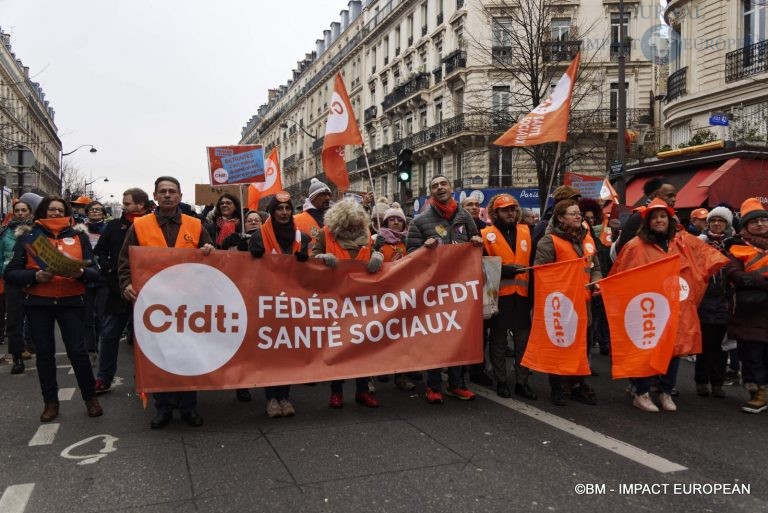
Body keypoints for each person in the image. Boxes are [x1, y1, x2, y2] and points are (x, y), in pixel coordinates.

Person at [611, 198, 728, 412]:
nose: (659, 220)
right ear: (647, 221)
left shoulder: (681, 242)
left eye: (663, 216)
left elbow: (707, 257)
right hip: (648, 307)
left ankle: (666, 391)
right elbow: (622, 275)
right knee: (646, 347)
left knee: (674, 348)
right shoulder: (635, 246)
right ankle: (641, 391)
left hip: (675, 306)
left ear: (669, 219)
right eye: (654, 217)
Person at [119, 176, 215, 429]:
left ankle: (188, 407)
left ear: (180, 196)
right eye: (163, 192)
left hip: (188, 304)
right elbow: (124, 262)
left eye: (172, 191)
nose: (168, 195)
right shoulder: (139, 227)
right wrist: (126, 284)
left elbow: (213, 257)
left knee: (187, 355)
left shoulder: (196, 225)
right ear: (155, 196)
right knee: (158, 356)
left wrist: (209, 250)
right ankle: (163, 408)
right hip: (154, 303)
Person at [4, 196, 103, 422]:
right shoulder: (29, 236)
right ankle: (50, 403)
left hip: (71, 302)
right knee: (45, 354)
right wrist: (35, 276)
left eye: (60, 210)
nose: (56, 214)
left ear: (66, 212)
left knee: (78, 352)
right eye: (51, 210)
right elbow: (11, 273)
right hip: (39, 303)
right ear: (42, 212)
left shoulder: (78, 236)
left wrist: (81, 273)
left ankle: (90, 399)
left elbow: (95, 272)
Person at [406, 175, 483, 404]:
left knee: (458, 338)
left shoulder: (464, 216)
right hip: (434, 291)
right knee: (436, 338)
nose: (440, 188)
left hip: (460, 290)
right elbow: (410, 255)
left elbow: (474, 242)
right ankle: (433, 386)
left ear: (451, 188)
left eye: (443, 184)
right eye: (434, 186)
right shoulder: (419, 222)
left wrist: (478, 241)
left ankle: (457, 385)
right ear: (431, 192)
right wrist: (423, 249)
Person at [312, 199, 384, 409]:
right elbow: (311, 259)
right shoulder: (326, 233)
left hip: (362, 300)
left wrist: (377, 256)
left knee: (363, 348)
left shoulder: (368, 235)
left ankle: (362, 390)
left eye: (355, 223)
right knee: (338, 348)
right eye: (348, 224)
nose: (353, 227)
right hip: (336, 300)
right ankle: (336, 392)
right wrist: (322, 258)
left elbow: (374, 255)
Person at [249, 191, 310, 417]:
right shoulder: (259, 236)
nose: (284, 213)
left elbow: (312, 269)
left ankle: (285, 396)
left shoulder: (302, 238)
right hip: (268, 301)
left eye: (287, 209)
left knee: (288, 351)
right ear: (272, 212)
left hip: (293, 302)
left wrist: (307, 259)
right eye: (279, 209)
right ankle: (271, 398)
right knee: (271, 351)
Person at [534, 199, 600, 406]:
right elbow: (540, 271)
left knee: (583, 345)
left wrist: (596, 280)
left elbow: (595, 265)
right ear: (561, 218)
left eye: (578, 213)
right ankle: (558, 387)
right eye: (572, 213)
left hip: (585, 303)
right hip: (561, 304)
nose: (578, 216)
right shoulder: (549, 241)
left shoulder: (587, 239)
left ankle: (576, 384)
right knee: (560, 345)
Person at [92, 188, 151, 393]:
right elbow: (100, 251)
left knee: (147, 337)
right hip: (118, 288)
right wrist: (110, 270)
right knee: (109, 334)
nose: (123, 206)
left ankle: (146, 376)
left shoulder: (152, 225)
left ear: (141, 204)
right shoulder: (114, 226)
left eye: (127, 203)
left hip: (147, 289)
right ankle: (104, 377)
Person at [481, 194, 536, 400]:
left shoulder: (526, 231)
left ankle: (522, 381)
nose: (510, 213)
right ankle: (501, 380)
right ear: (495, 213)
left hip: (522, 296)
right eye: (505, 210)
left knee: (523, 342)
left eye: (513, 209)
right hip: (499, 296)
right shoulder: (486, 234)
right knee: (499, 342)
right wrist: (504, 270)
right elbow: (480, 265)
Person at [725, 198, 768, 414]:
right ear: (746, 226)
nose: (760, 225)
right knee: (751, 353)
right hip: (748, 312)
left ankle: (763, 391)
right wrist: (761, 282)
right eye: (755, 222)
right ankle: (757, 392)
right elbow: (734, 274)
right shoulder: (738, 247)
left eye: (763, 221)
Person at [371, 206, 416, 391]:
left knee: (401, 337)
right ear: (385, 222)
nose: (396, 222)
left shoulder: (409, 242)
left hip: (403, 295)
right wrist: (374, 248)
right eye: (392, 220)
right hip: (382, 295)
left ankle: (401, 375)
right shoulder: (377, 240)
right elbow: (366, 264)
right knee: (379, 336)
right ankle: (377, 371)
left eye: (399, 220)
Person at [695, 206, 734, 398]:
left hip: (725, 301)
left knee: (721, 346)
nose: (717, 223)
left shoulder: (733, 244)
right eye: (714, 220)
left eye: (721, 221)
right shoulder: (700, 243)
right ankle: (702, 381)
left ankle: (717, 382)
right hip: (704, 299)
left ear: (727, 224)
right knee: (705, 344)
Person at [0, 196, 37, 374]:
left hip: (33, 277)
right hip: (13, 279)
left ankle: (36, 348)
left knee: (37, 319)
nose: (21, 213)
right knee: (14, 320)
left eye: (24, 210)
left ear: (30, 212)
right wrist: (4, 272)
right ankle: (17, 357)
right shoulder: (5, 232)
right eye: (17, 211)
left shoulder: (37, 230)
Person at [614, 178, 677, 256]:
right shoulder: (638, 217)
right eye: (669, 196)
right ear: (653, 195)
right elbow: (626, 252)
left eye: (675, 196)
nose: (674, 199)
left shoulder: (672, 218)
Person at [83, 201, 108, 364]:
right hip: (85, 276)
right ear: (87, 213)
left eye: (98, 210)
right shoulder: (80, 230)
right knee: (87, 315)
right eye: (92, 210)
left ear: (103, 213)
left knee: (101, 314)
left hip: (104, 277)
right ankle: (90, 349)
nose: (95, 212)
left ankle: (99, 343)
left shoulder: (108, 229)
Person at [294, 178, 332, 246]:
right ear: (313, 198)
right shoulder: (296, 219)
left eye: (328, 194)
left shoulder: (332, 220)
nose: (327, 198)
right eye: (323, 194)